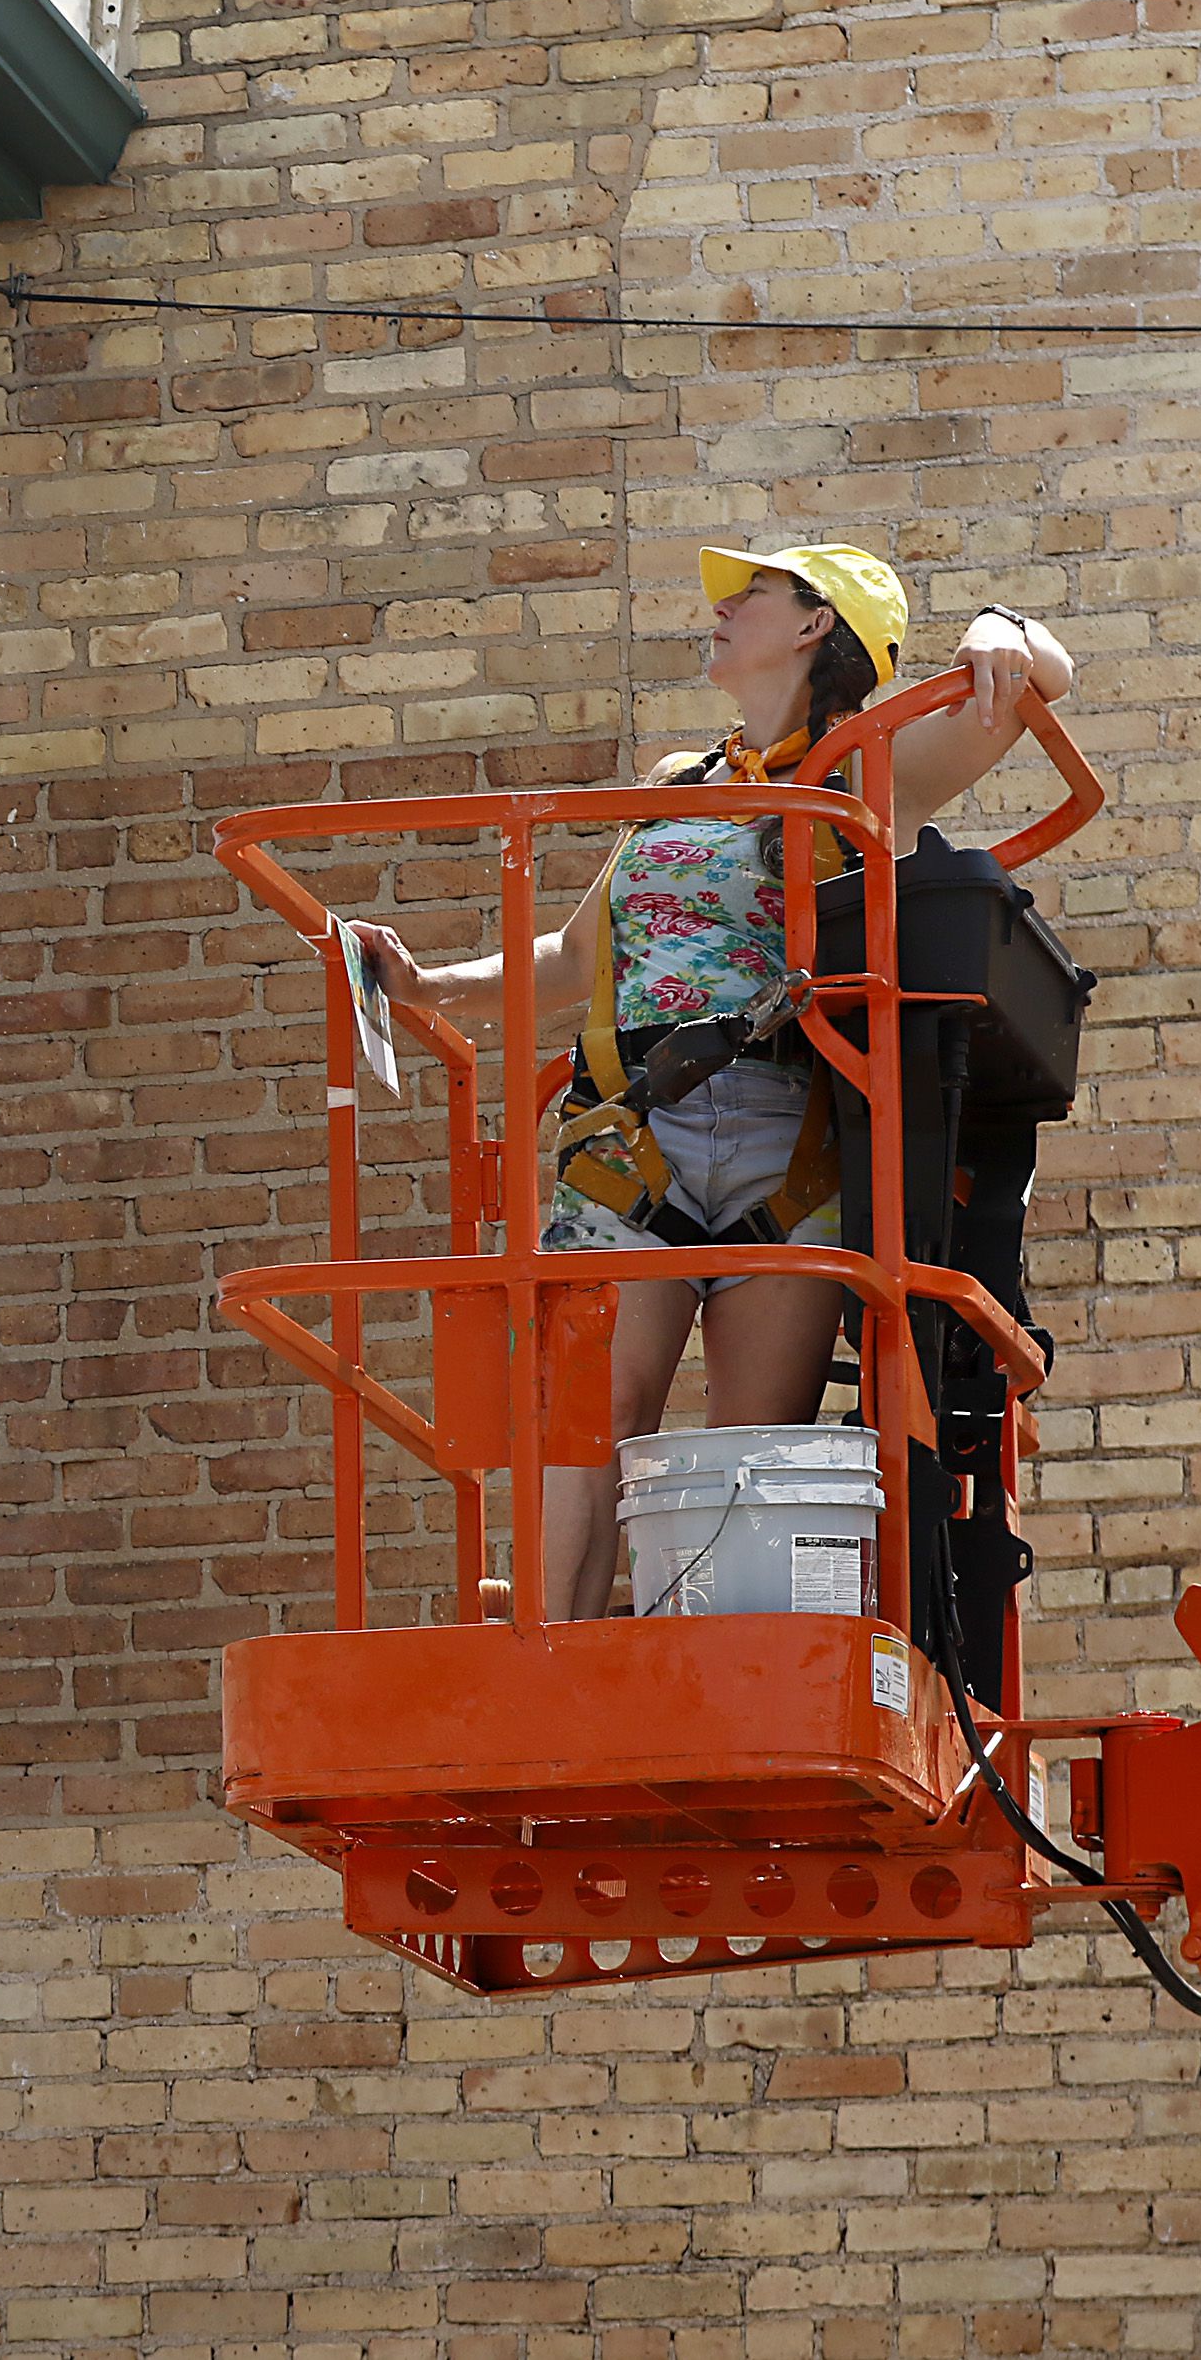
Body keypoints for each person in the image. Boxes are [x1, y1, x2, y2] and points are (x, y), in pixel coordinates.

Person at [351, 544, 1075, 1620]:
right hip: (635, 1140)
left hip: (792, 1149)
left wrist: (1001, 634)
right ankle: (560, 1671)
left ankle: (701, 1680)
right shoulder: (677, 788)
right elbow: (576, 956)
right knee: (593, 1416)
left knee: (754, 1466)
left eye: (754, 593)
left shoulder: (865, 768)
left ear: (817, 625)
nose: (723, 608)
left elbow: (1043, 679)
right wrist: (425, 987)